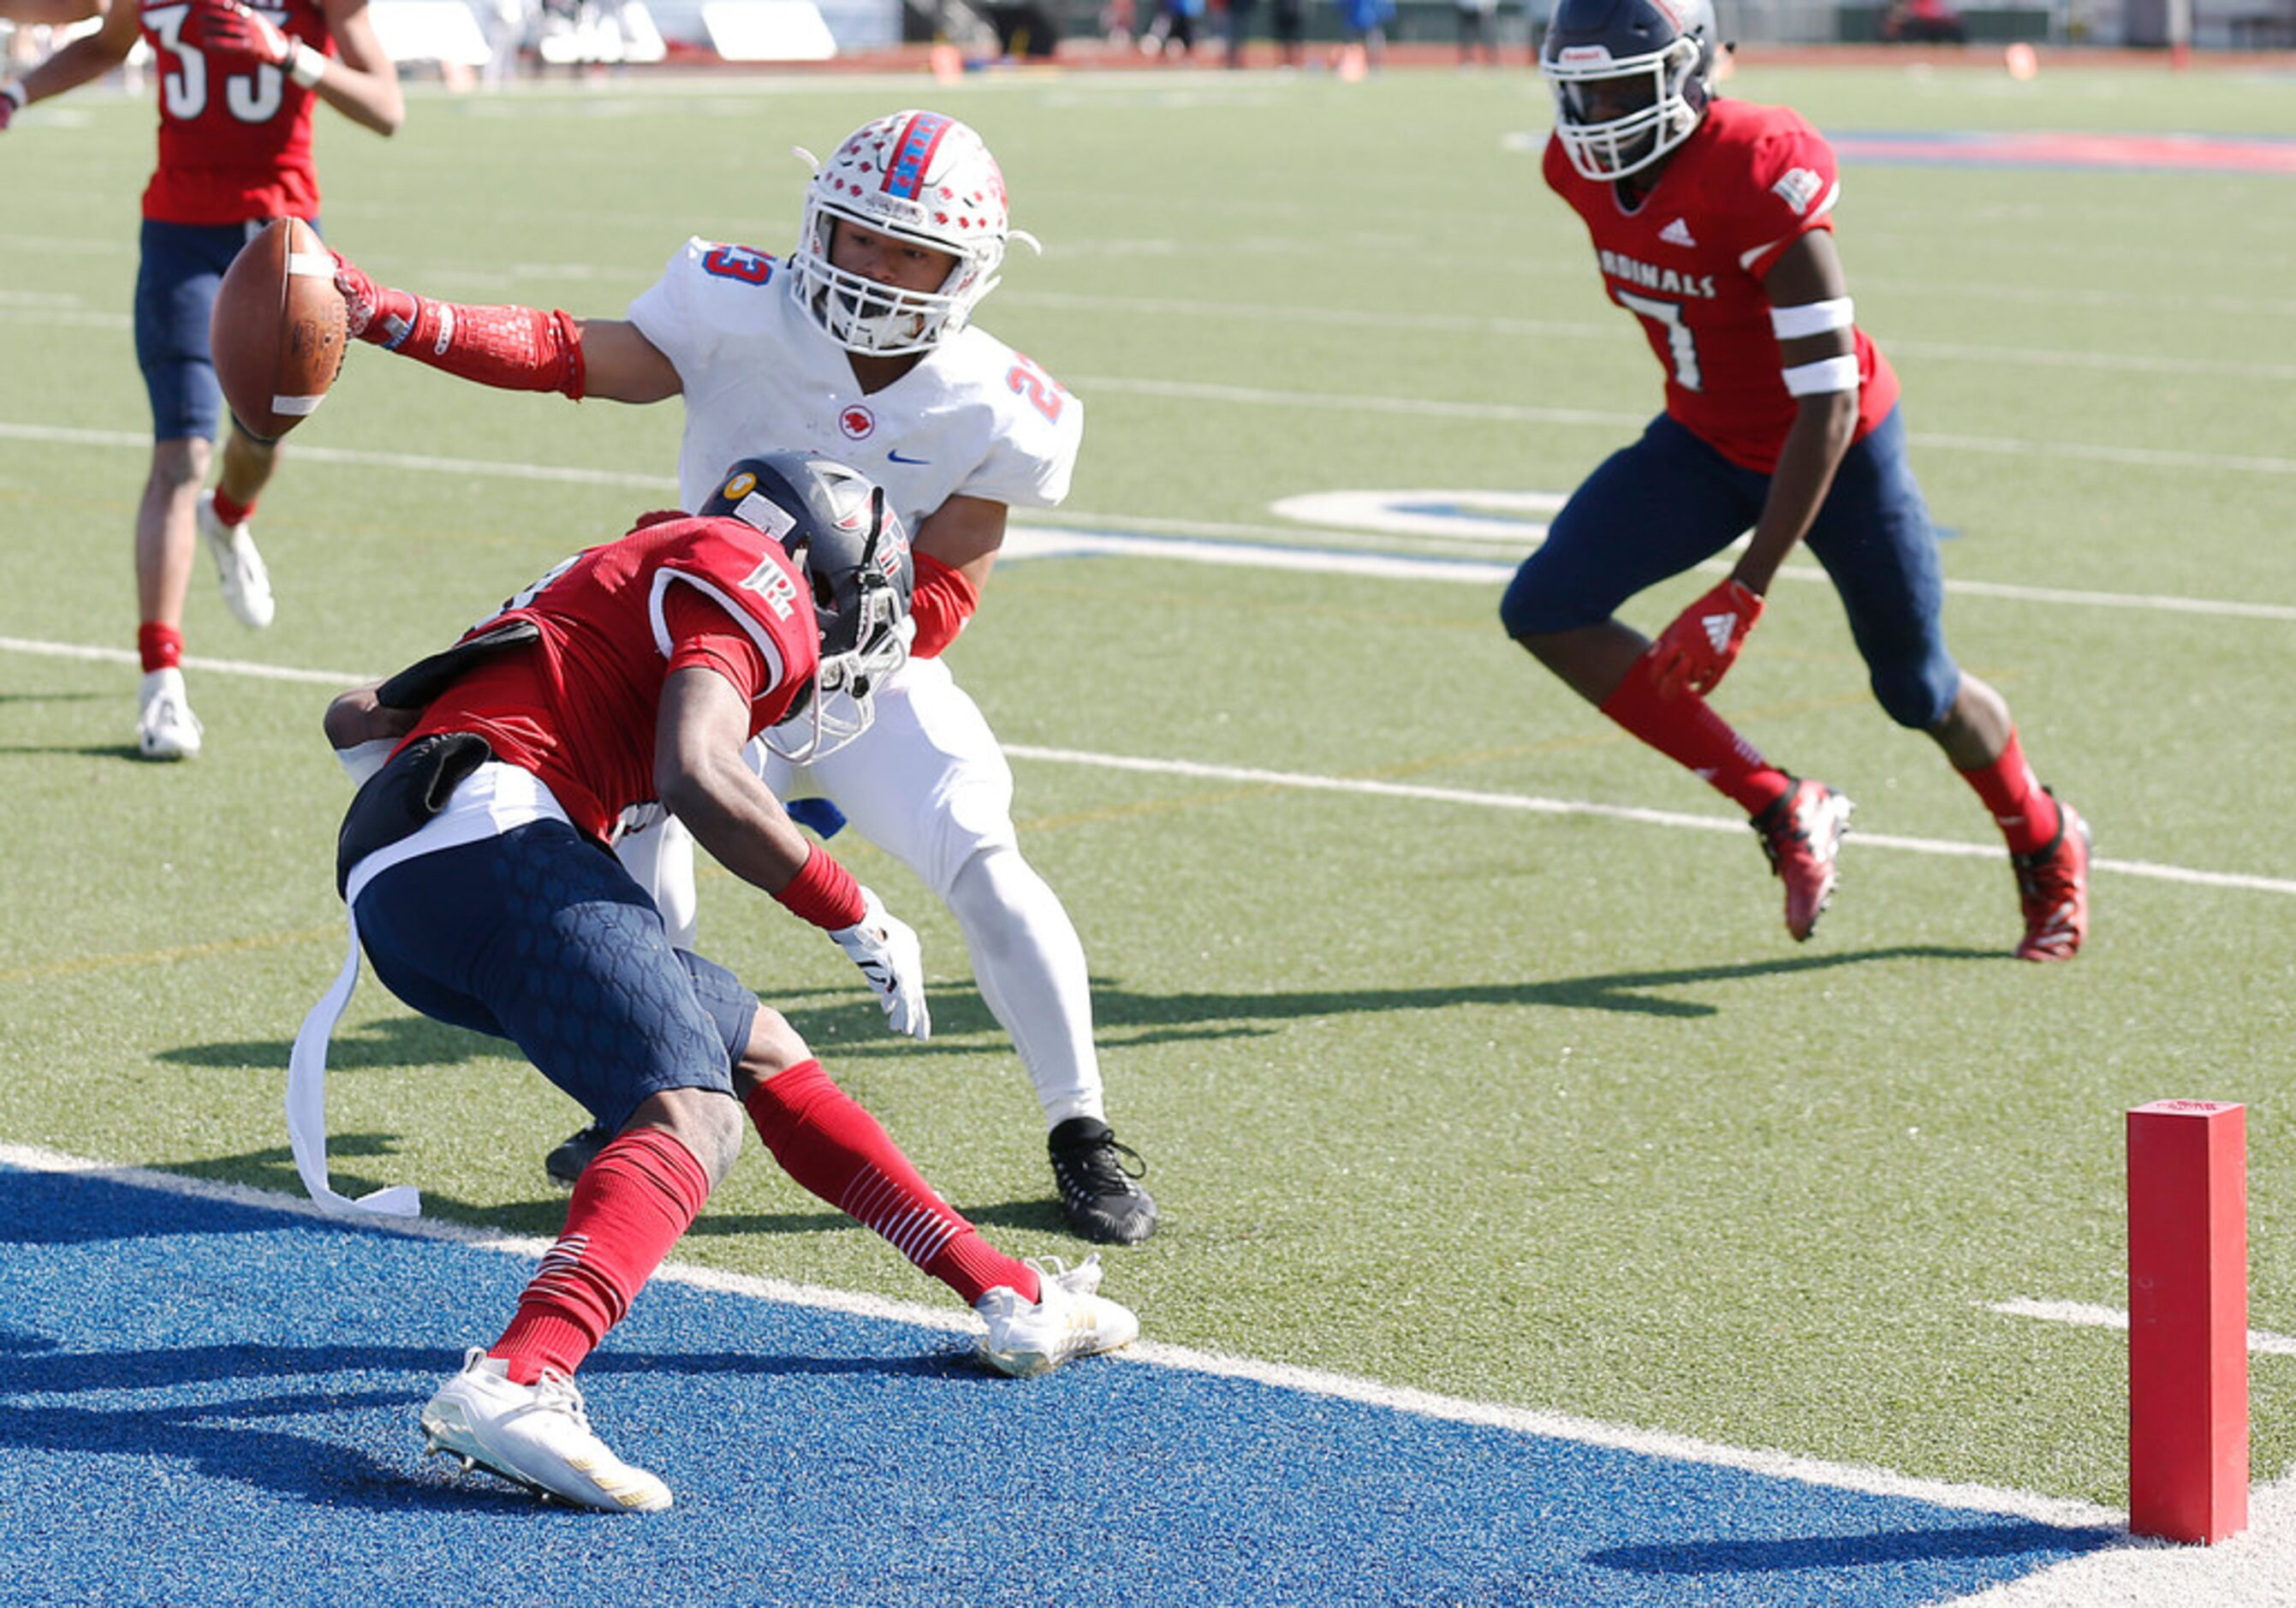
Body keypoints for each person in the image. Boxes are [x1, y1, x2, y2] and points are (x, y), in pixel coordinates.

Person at [325, 110, 1160, 1243]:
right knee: (623, 876)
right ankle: (640, 1078)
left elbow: (952, 588)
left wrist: (824, 659)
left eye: (908, 251)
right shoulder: (736, 303)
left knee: (982, 854)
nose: (875, 269)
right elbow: (572, 352)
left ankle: (1082, 1131)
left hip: (859, 672)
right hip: (692, 652)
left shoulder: (996, 400)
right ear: (817, 222)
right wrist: (391, 315)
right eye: (858, 237)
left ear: (966, 271)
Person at [300, 452, 1139, 1513]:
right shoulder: (749, 567)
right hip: (492, 840)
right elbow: (696, 772)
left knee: (762, 1051)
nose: (841, 643)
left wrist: (424, 835)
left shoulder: (615, 569)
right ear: (825, 569)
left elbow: (356, 715)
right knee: (691, 1119)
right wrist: (852, 909)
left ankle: (1008, 1294)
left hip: (416, 868)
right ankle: (522, 1375)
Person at [1506, 0, 2090, 962]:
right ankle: (1782, 804)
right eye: (1583, 87)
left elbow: (1824, 402)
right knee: (1547, 606)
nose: (1599, 111)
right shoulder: (1571, 169)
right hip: (1706, 441)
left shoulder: (1757, 162)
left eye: (1622, 85)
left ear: (1694, 71)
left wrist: (1747, 588)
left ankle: (2044, 835)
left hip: (1839, 450)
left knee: (1917, 687)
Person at [1, 0, 401, 759]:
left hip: (283, 240)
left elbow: (387, 106)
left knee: (266, 433)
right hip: (181, 235)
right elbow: (106, 43)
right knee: (179, 453)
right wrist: (16, 92)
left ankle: (230, 516)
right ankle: (162, 685)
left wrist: (288, 53)